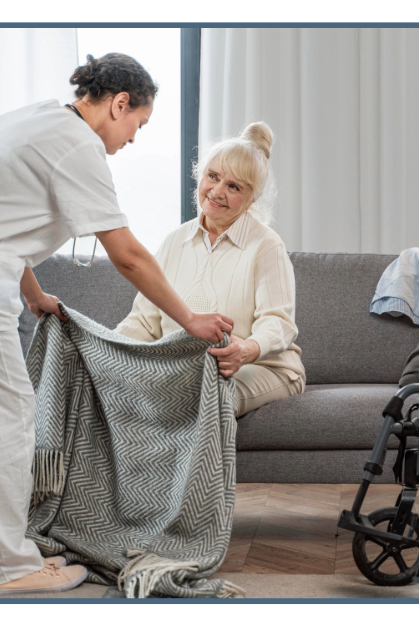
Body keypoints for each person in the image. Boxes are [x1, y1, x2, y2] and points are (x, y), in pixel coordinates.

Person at [0, 53, 234, 595]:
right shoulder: (77, 146)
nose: (134, 138)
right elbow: (128, 255)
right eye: (139, 122)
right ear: (119, 104)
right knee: (6, 418)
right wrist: (189, 319)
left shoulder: (34, 119)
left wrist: (33, 294)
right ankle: (6, 569)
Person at [114, 122, 305, 416]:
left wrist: (246, 349)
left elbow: (279, 323)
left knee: (200, 397)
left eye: (233, 187)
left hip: (265, 367)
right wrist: (109, 350)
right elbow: (144, 321)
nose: (216, 191)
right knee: (128, 393)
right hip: (188, 369)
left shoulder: (267, 246)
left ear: (252, 199)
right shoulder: (174, 241)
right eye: (212, 176)